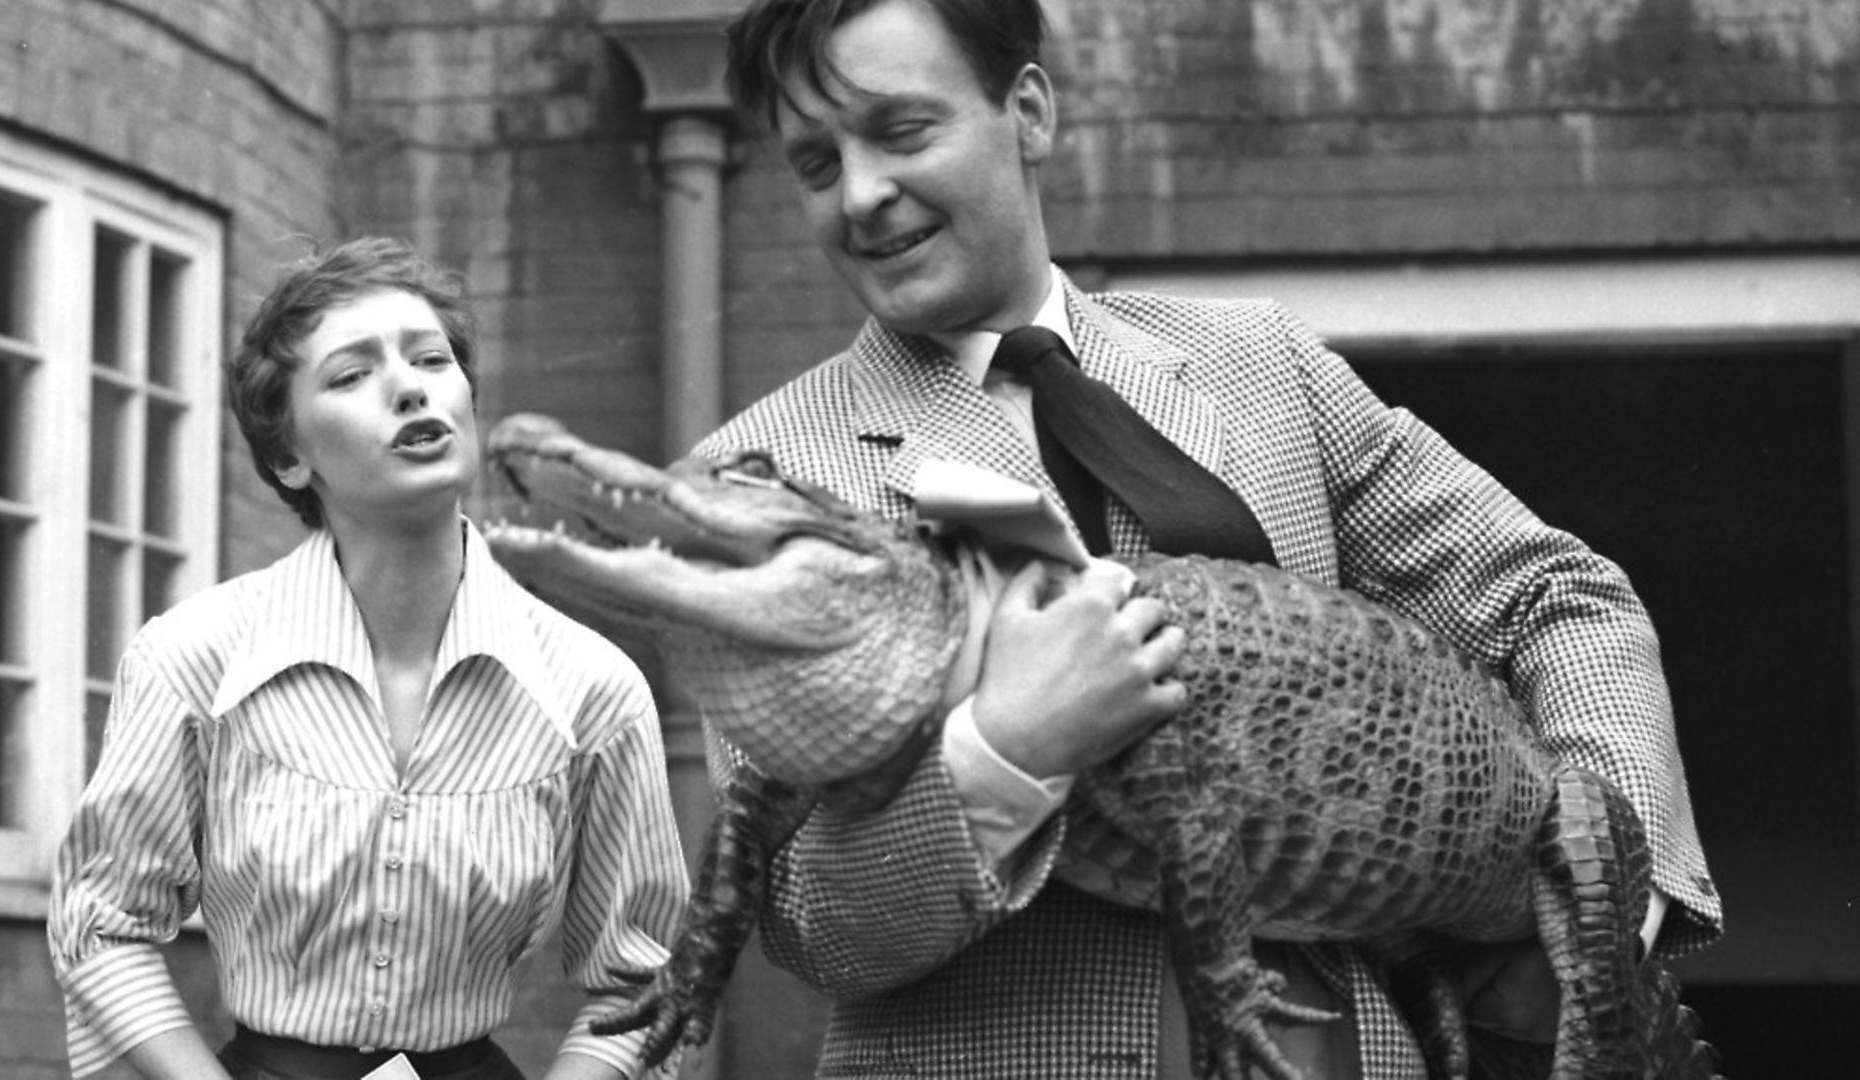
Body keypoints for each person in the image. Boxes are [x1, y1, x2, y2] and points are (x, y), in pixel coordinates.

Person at [696, 1, 1723, 1077]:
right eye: (817, 163)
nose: (861, 193)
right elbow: (811, 920)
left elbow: (1554, 596)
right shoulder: (762, 481)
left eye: (901, 131)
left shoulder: (1260, 362)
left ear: (1029, 112)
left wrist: (1598, 903)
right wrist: (1009, 747)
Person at [47, 237, 691, 1080]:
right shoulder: (194, 658)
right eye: (351, 375)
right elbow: (103, 923)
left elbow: (639, 979)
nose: (410, 385)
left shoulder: (591, 689)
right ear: (289, 455)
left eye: (431, 358)